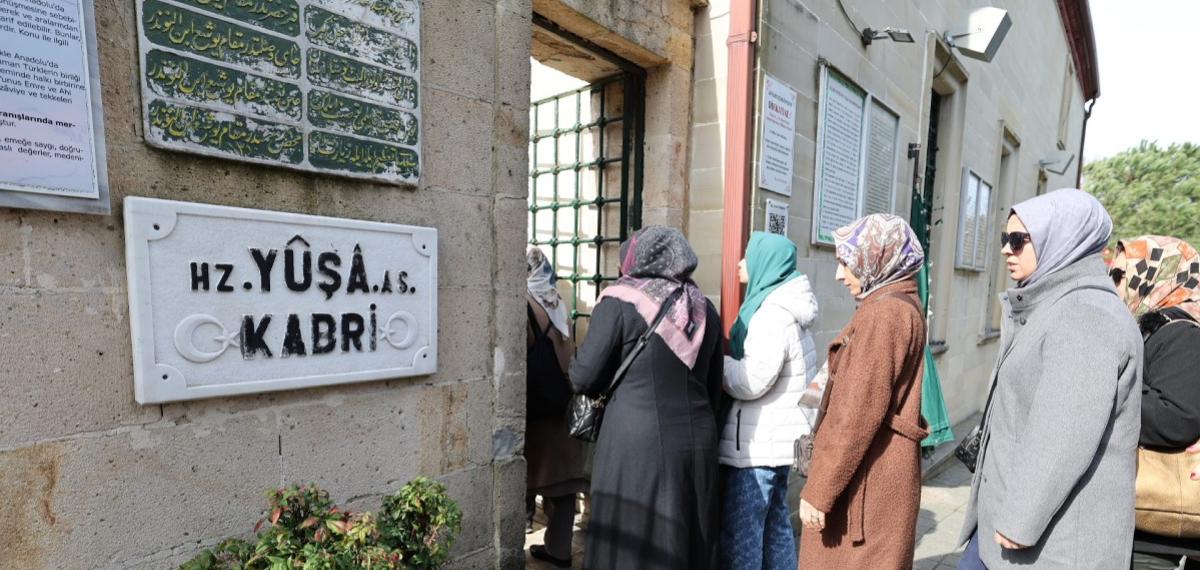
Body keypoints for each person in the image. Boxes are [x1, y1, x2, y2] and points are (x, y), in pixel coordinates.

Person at [957, 188, 1142, 569]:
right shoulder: (1054, 305)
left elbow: (1063, 432)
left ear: (1062, 240)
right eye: (1005, 239)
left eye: (1019, 240)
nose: (1007, 249)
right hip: (1015, 531)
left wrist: (1019, 520)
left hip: (1048, 545)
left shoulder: (1085, 315)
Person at [568, 226, 724, 570]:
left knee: (635, 542)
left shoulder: (620, 301)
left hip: (636, 448)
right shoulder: (703, 308)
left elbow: (584, 376)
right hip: (697, 443)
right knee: (687, 540)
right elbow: (715, 386)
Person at [797, 214, 929, 568]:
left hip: (866, 486)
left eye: (847, 263)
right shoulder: (901, 305)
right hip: (879, 478)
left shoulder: (883, 315)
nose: (840, 274)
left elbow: (854, 413)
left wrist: (819, 491)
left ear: (878, 260)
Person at [719, 232, 819, 570]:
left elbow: (751, 381)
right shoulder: (791, 307)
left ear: (766, 263)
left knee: (743, 535)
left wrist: (717, 363)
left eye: (747, 256)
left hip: (758, 446)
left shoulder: (771, 314)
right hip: (776, 442)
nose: (740, 263)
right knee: (776, 526)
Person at [1109, 236, 1200, 570]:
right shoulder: (1154, 327)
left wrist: (1110, 388)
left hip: (1160, 539)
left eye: (1120, 275)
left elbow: (1177, 418)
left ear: (1156, 276)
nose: (1113, 283)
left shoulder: (1181, 333)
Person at [524, 247, 588, 568]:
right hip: (564, 397)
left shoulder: (524, 303)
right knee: (562, 484)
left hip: (538, 405)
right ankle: (560, 549)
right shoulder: (555, 300)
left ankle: (516, 542)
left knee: (527, 476)